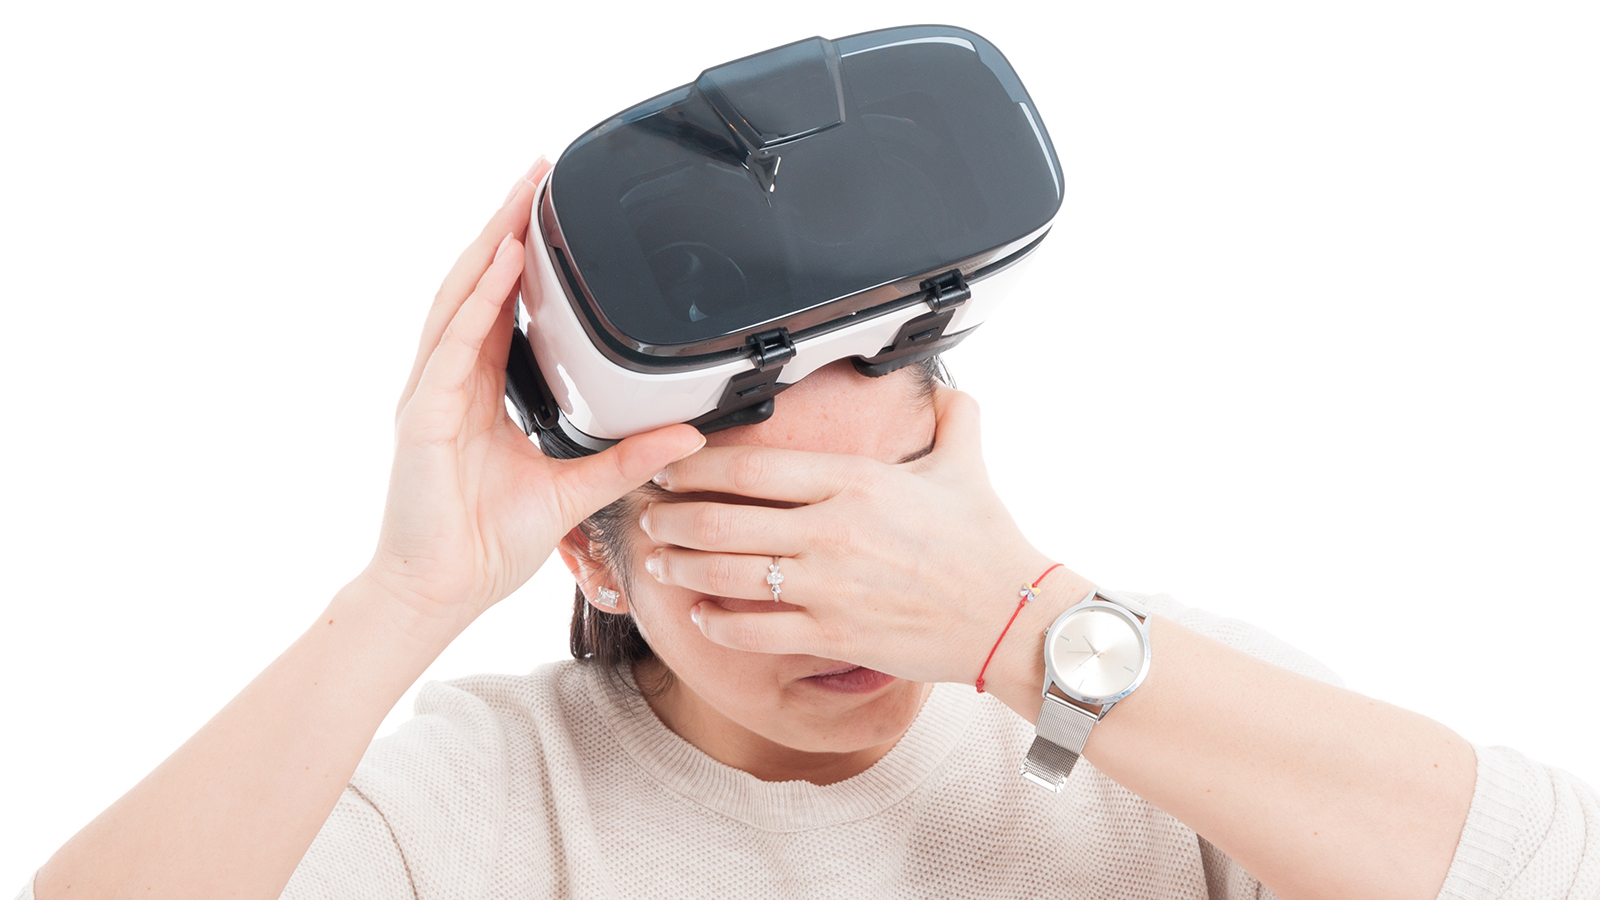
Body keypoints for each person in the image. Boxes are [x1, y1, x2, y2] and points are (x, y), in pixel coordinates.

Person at [18, 160, 1597, 900]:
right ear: (595, 553)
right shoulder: (479, 806)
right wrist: (404, 593)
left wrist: (1021, 625)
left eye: (888, 517)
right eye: (762, 542)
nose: (851, 606)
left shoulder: (1137, 694)